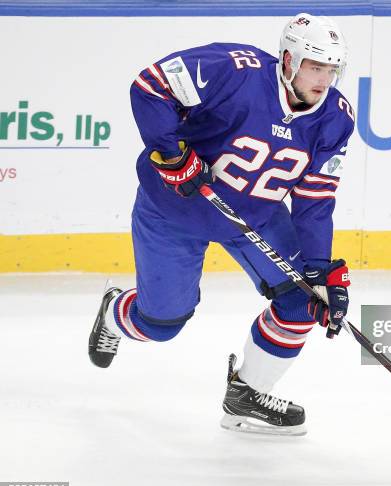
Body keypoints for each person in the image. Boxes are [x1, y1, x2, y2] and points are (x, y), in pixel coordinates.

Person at [88, 13, 355, 436]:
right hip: (174, 213)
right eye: (314, 66)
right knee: (160, 325)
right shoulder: (233, 71)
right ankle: (115, 313)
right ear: (288, 59)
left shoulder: (336, 118)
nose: (324, 79)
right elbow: (150, 86)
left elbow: (315, 198)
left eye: (331, 69)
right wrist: (171, 155)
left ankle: (246, 396)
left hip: (257, 217)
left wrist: (320, 268)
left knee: (306, 300)